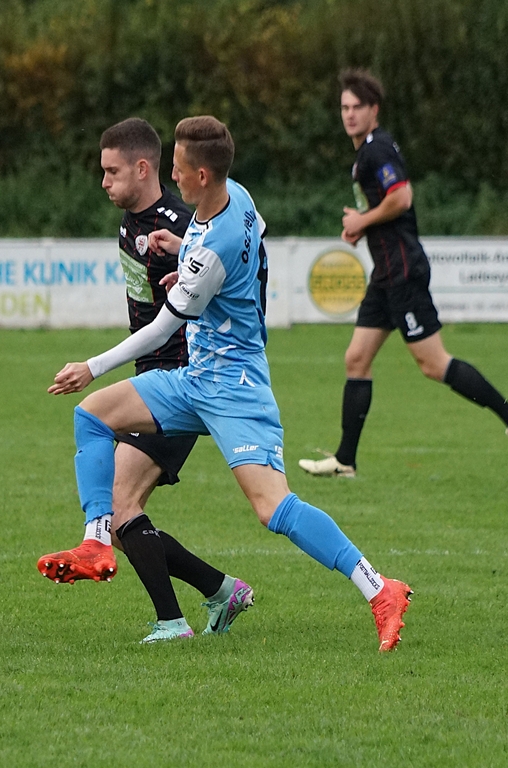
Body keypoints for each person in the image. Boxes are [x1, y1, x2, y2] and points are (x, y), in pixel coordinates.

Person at [48, 116, 412, 651]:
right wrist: (189, 258)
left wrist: (91, 366)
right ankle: (97, 542)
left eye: (177, 168)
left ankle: (381, 589)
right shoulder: (236, 197)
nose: (171, 175)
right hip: (194, 378)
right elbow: (254, 247)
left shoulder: (213, 244)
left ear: (200, 175)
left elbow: (161, 330)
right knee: (93, 415)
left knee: (274, 509)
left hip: (235, 388)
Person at [37, 118, 253, 644]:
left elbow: (216, 281)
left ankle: (173, 622)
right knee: (123, 514)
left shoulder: (185, 221)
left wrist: (184, 251)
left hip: (182, 382)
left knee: (120, 506)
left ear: (141, 168)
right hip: (148, 380)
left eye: (112, 172)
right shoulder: (128, 225)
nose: (104, 182)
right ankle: (221, 590)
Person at [299, 69, 508, 479]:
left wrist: (363, 220)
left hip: (403, 271)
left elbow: (402, 197)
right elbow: (388, 206)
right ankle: (345, 461)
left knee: (433, 363)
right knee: (356, 358)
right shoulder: (368, 152)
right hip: (386, 273)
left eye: (357, 107)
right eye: (344, 107)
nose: (349, 114)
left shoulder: (376, 149)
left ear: (374, 110)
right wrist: (364, 226)